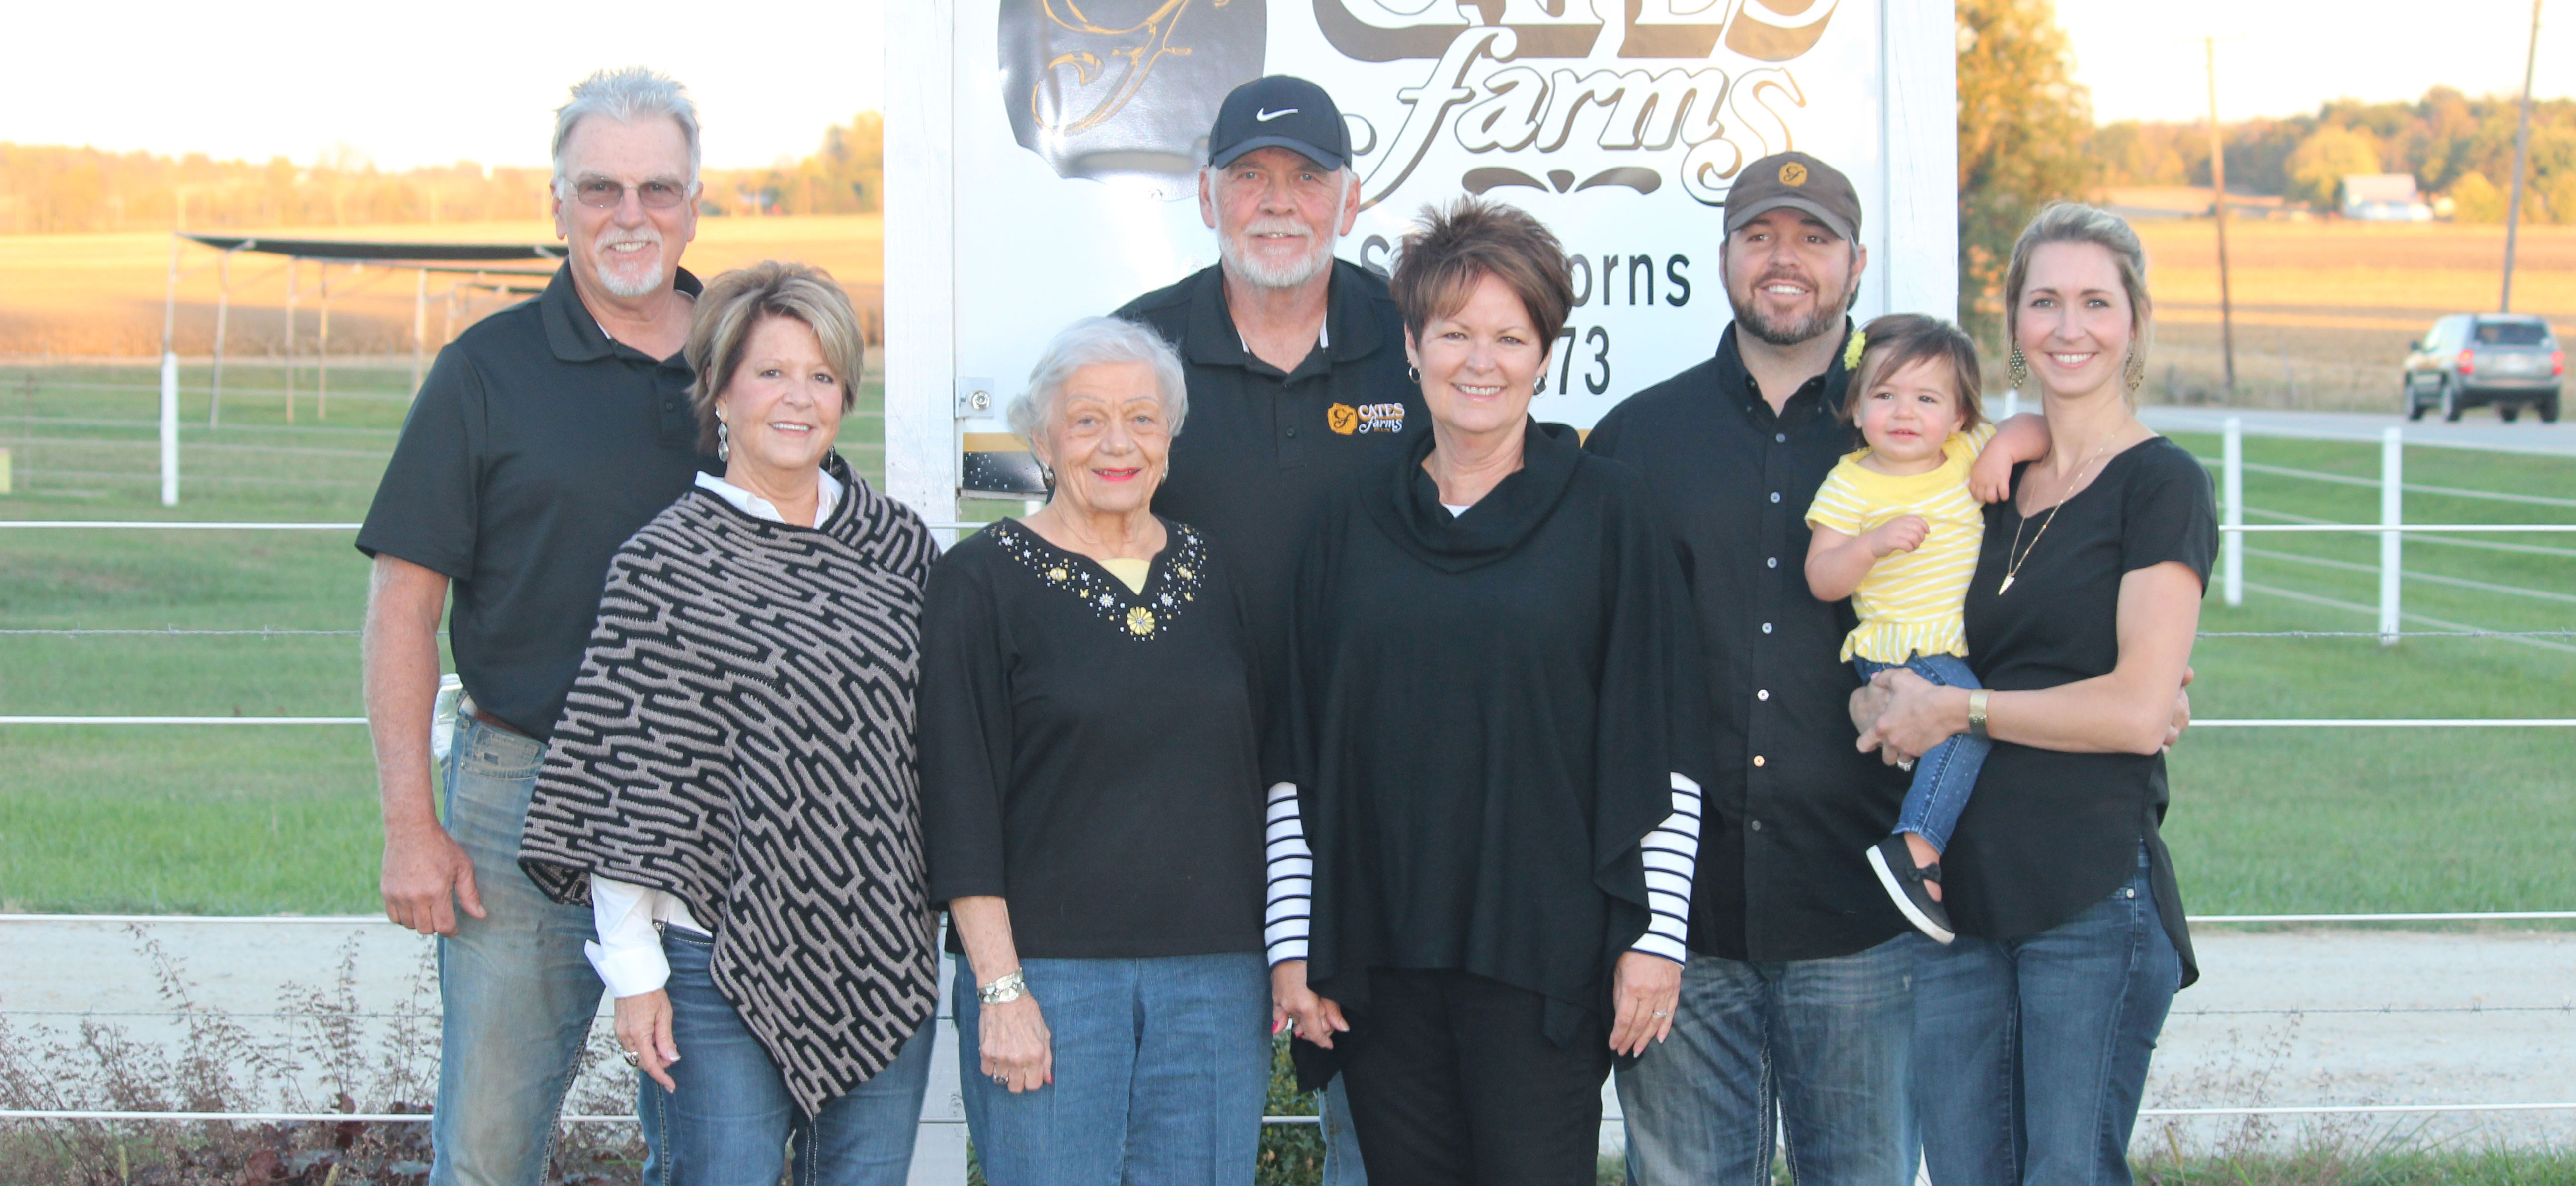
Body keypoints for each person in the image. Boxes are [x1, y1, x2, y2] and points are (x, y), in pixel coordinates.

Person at [1264, 197, 1705, 1186]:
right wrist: (1293, 942)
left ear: (1546, 354)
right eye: (1454, 331)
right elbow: (1299, 751)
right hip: (1378, 955)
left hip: (1544, 955)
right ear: (1412, 345)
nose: (1480, 359)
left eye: (1510, 335)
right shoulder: (1350, 520)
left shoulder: (1611, 511)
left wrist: (1656, 939)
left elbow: (1665, 741)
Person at [356, 67, 714, 1186]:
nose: (630, 216)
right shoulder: (485, 371)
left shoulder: (752, 358)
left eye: (659, 189)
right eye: (600, 189)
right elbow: (403, 608)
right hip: (526, 793)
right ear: (555, 204)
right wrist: (413, 824)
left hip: (719, 800)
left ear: (697, 203)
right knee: (490, 1143)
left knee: (721, 1143)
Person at [514, 261, 938, 1186]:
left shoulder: (900, 548)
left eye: (821, 375)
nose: (798, 398)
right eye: (771, 373)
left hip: (879, 944)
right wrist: (633, 971)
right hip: (715, 959)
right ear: (719, 390)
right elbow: (626, 778)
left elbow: (944, 749)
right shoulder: (664, 567)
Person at [1581, 151, 1925, 1186]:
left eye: (1814, 238)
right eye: (1762, 236)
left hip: (1862, 912)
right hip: (1683, 920)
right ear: (1725, 256)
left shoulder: (1922, 431)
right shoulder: (1639, 437)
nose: (1787, 260)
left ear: (1857, 264)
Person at [1855, 203, 2213, 1186]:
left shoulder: (2163, 486)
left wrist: (1962, 712)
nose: (2069, 327)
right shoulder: (1985, 483)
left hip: (2090, 895)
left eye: (2096, 302)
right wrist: (1888, 703)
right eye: (2044, 301)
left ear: (2134, 320)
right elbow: (1913, 647)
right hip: (1960, 900)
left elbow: (2141, 710)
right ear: (2011, 319)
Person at [1114, 73, 1425, 1181]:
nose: (1279, 201)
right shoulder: (1137, 345)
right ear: (1207, 194)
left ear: (1352, 195)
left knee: (1383, 1121)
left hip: (1373, 785)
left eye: (1307, 177)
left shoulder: (1419, 341)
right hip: (1185, 784)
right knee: (1183, 1120)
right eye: (1251, 176)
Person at [917, 317, 1274, 1185]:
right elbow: (957, 799)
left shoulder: (1214, 571)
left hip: (1215, 981)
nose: (1117, 444)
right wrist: (999, 990)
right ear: (1041, 436)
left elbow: (1263, 771)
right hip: (1048, 979)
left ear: (1169, 436)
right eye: (1086, 421)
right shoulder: (980, 579)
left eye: (1141, 419)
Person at [1801, 314, 2050, 942]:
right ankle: (1914, 851)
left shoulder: (1969, 451)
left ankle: (1924, 846)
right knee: (1964, 724)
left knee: (1966, 726)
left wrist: (2002, 449)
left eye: (1927, 398)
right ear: (1856, 408)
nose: (1904, 412)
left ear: (1961, 416)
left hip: (1956, 648)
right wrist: (1872, 545)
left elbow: (2038, 427)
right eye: (1884, 395)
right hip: (1900, 648)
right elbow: (1823, 577)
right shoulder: (1852, 482)